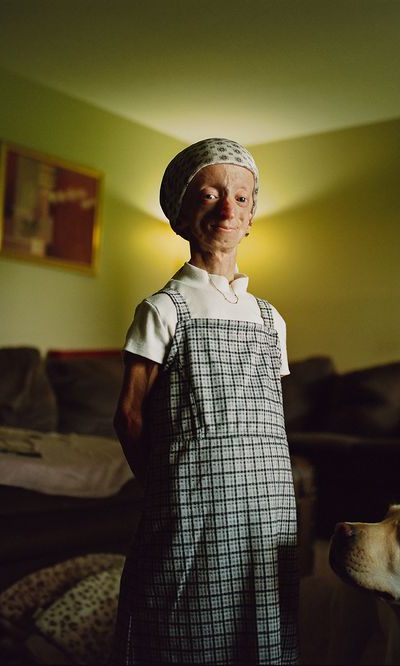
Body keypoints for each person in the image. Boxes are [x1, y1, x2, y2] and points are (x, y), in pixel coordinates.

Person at [109, 138, 299, 664]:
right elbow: (128, 414)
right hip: (191, 496)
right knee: (180, 611)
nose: (227, 209)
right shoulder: (162, 308)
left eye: (241, 198)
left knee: (262, 608)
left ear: (253, 215)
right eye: (210, 195)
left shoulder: (270, 318)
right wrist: (163, 484)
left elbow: (270, 413)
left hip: (267, 500)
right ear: (181, 212)